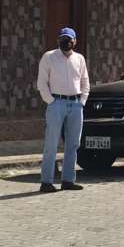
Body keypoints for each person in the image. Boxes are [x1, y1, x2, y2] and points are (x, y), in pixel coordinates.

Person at [37, 27, 90, 193]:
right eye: (63, 39)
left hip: (75, 104)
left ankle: (68, 180)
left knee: (73, 144)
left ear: (75, 41)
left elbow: (85, 81)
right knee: (51, 143)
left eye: (69, 39)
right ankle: (46, 182)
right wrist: (51, 101)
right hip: (56, 103)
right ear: (58, 40)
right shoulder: (49, 57)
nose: (66, 42)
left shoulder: (79, 59)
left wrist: (82, 101)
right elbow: (41, 82)